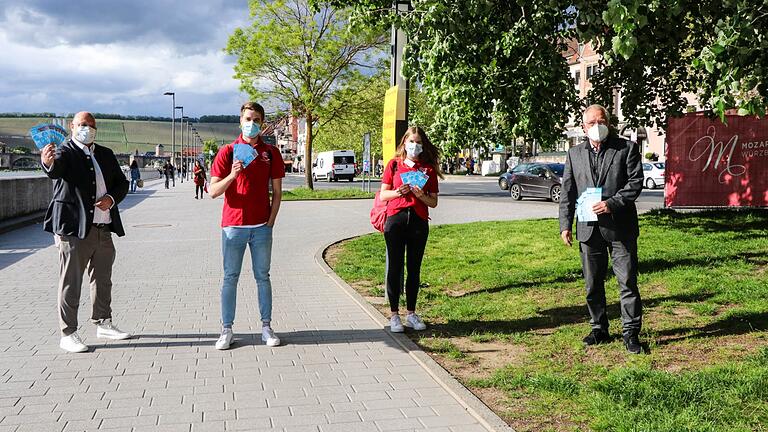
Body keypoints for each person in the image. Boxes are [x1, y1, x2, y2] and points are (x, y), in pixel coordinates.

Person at [39, 112, 132, 353]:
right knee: (71, 281)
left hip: (103, 227)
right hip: (73, 229)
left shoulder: (105, 154)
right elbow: (55, 169)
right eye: (82, 125)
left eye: (91, 126)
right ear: (72, 127)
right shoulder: (65, 151)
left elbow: (121, 184)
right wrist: (47, 163)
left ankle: (103, 322)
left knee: (103, 279)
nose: (87, 129)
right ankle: (68, 333)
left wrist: (111, 199)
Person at [559, 104, 644, 354]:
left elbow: (635, 183)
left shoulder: (626, 148)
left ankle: (631, 332)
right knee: (592, 283)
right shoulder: (574, 154)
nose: (598, 126)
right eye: (592, 123)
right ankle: (599, 328)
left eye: (602, 121)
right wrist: (565, 224)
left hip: (620, 228)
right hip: (587, 229)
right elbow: (568, 191)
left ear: (609, 122)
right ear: (584, 128)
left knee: (627, 281)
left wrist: (612, 204)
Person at [208, 102, 285, 350]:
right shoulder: (228, 151)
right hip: (233, 226)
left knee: (263, 277)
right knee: (230, 277)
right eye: (248, 119)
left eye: (257, 120)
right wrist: (232, 175)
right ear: (240, 122)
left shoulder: (270, 153)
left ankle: (266, 327)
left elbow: (277, 192)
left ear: (262, 124)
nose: (252, 124)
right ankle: (226, 329)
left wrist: (270, 222)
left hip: (261, 227)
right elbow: (212, 191)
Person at [379, 126, 442, 333]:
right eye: (412, 141)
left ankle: (412, 313)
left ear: (423, 146)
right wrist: (399, 192)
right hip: (395, 221)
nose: (415, 146)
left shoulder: (428, 170)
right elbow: (383, 195)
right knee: (395, 267)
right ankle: (394, 315)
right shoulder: (394, 165)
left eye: (419, 143)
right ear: (404, 143)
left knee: (414, 269)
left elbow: (433, 202)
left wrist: (420, 195)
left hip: (418, 222)